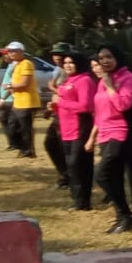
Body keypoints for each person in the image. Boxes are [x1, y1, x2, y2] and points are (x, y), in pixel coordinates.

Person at [85, 44, 132, 235]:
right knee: (114, 176)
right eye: (101, 58)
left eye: (109, 57)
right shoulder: (103, 80)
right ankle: (122, 217)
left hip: (122, 131)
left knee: (102, 174)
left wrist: (110, 86)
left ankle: (127, 214)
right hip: (105, 133)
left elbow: (123, 105)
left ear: (117, 57)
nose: (105, 61)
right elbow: (100, 112)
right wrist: (93, 137)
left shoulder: (128, 79)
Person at [51, 52, 95, 212]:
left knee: (77, 164)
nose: (67, 65)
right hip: (66, 128)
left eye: (71, 62)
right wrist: (55, 107)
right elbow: (65, 104)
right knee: (71, 165)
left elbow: (86, 106)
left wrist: (62, 102)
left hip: (80, 127)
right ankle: (77, 199)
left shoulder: (85, 80)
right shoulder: (68, 80)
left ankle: (83, 201)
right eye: (65, 62)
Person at [42, 44, 72, 187]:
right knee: (51, 144)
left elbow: (64, 91)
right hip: (58, 111)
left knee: (64, 147)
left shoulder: (71, 70)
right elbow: (55, 89)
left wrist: (54, 88)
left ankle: (69, 177)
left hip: (68, 114)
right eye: (54, 54)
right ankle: (65, 175)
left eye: (60, 54)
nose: (57, 57)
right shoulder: (58, 69)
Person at [3, 42, 39, 158]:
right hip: (18, 102)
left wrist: (10, 86)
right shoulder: (16, 65)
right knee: (11, 126)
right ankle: (22, 147)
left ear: (21, 52)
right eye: (10, 51)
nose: (11, 53)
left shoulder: (26, 64)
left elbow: (25, 83)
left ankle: (28, 150)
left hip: (27, 102)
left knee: (25, 128)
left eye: (14, 51)